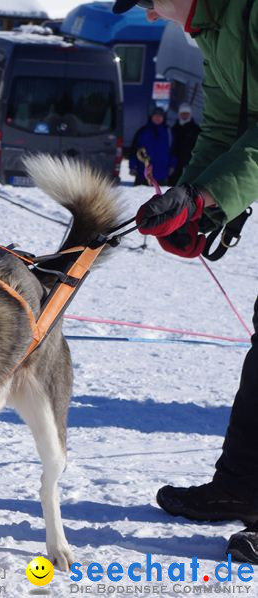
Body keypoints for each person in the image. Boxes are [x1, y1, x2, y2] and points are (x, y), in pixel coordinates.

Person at [114, 0, 257, 564]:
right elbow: (226, 125)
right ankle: (244, 485)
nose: (149, 16)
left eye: (149, 0)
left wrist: (208, 198)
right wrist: (191, 205)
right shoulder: (215, 30)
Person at [130, 107, 176, 186]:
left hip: (162, 175)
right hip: (143, 174)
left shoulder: (169, 132)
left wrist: (172, 165)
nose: (158, 118)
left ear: (163, 118)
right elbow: (134, 150)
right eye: (155, 116)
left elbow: (173, 151)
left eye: (160, 116)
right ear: (151, 117)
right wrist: (133, 166)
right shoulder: (142, 131)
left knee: (162, 198)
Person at [170, 103, 202, 185]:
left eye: (186, 113)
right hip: (176, 163)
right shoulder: (173, 129)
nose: (184, 115)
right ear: (179, 114)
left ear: (190, 114)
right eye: (182, 113)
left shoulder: (196, 130)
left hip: (191, 161)